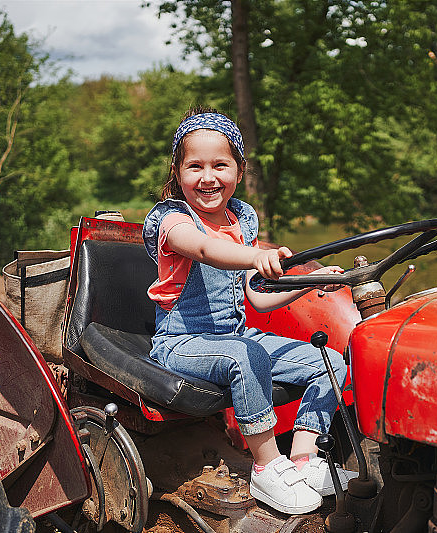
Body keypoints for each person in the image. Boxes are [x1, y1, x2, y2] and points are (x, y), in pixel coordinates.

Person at [142, 106, 358, 515]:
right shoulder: (172, 220)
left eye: (220, 165)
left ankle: (303, 459)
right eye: (195, 167)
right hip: (182, 342)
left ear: (239, 171)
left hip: (236, 336)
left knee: (328, 361)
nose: (208, 177)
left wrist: (307, 283)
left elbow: (256, 298)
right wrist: (256, 256)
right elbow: (205, 248)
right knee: (247, 354)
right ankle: (266, 466)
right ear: (177, 172)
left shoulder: (241, 219)